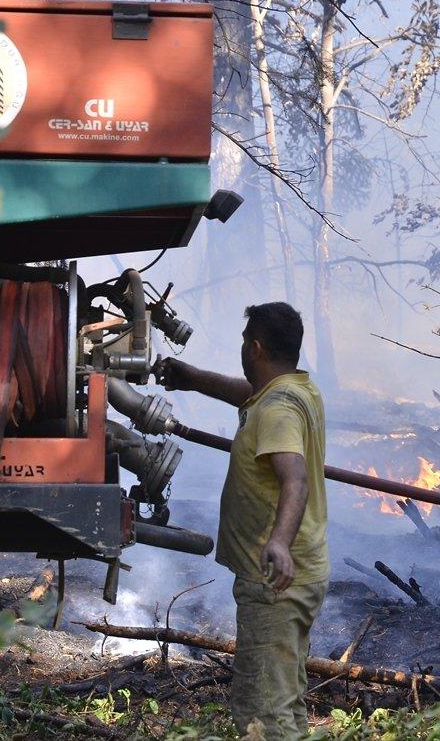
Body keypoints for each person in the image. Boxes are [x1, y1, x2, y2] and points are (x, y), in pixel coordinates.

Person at [157, 302, 328, 740]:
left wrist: (279, 543)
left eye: (242, 342)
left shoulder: (278, 410)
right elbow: (247, 394)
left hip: (275, 580)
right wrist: (193, 379)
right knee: (283, 701)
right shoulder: (295, 390)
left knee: (262, 714)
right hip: (297, 576)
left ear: (255, 347)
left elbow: (295, 481)